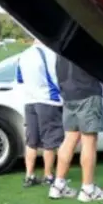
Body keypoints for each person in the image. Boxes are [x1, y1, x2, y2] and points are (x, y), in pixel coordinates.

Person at [48, 55, 103, 202]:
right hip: (87, 92)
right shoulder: (86, 42)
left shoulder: (62, 45)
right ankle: (88, 189)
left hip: (68, 94)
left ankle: (58, 185)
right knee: (89, 140)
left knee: (70, 138)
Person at [16, 40, 63, 188]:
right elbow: (55, 76)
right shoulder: (49, 54)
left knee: (32, 140)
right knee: (50, 140)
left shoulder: (23, 55)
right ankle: (48, 175)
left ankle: (29, 175)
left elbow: (20, 79)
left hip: (30, 100)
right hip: (48, 100)